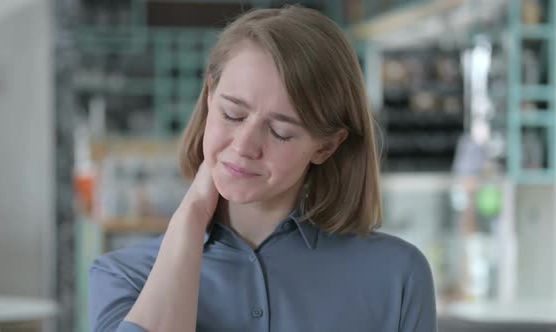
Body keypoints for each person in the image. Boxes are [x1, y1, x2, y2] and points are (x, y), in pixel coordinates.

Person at [89, 5, 437, 332]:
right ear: (209, 96)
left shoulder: (397, 277)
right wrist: (192, 215)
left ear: (326, 146)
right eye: (233, 114)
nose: (243, 145)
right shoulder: (123, 276)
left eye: (280, 131)